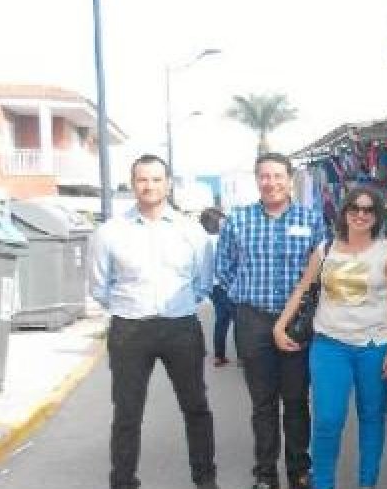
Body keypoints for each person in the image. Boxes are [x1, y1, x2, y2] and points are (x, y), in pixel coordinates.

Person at [88, 154, 217, 489]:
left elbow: (203, 282)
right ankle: (123, 481)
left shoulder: (191, 231)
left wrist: (181, 305)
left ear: (168, 184)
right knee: (127, 413)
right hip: (130, 329)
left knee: (196, 407)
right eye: (142, 179)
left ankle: (205, 480)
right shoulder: (110, 232)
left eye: (157, 179)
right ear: (133, 184)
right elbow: (99, 286)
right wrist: (128, 307)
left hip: (181, 327)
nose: (150, 186)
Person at [273, 185, 387, 489]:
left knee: (372, 419)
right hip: (330, 345)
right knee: (327, 420)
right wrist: (280, 326)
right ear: (344, 212)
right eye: (355, 208)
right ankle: (323, 483)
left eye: (368, 209)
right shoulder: (325, 248)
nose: (361, 214)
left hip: (374, 346)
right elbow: (303, 288)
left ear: (377, 216)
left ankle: (367, 483)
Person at [216, 153, 327, 489]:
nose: (272, 182)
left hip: (297, 322)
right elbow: (224, 269)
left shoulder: (311, 219)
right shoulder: (238, 220)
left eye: (278, 176)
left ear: (290, 179)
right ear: (256, 180)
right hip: (253, 320)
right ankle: (265, 474)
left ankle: (299, 471)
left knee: (296, 400)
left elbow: (321, 270)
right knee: (262, 403)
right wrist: (243, 303)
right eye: (264, 176)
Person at [199, 207, 234, 367]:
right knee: (238, 319)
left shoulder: (202, 241)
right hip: (224, 285)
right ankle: (243, 356)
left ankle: (219, 355)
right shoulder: (221, 240)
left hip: (212, 287)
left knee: (221, 320)